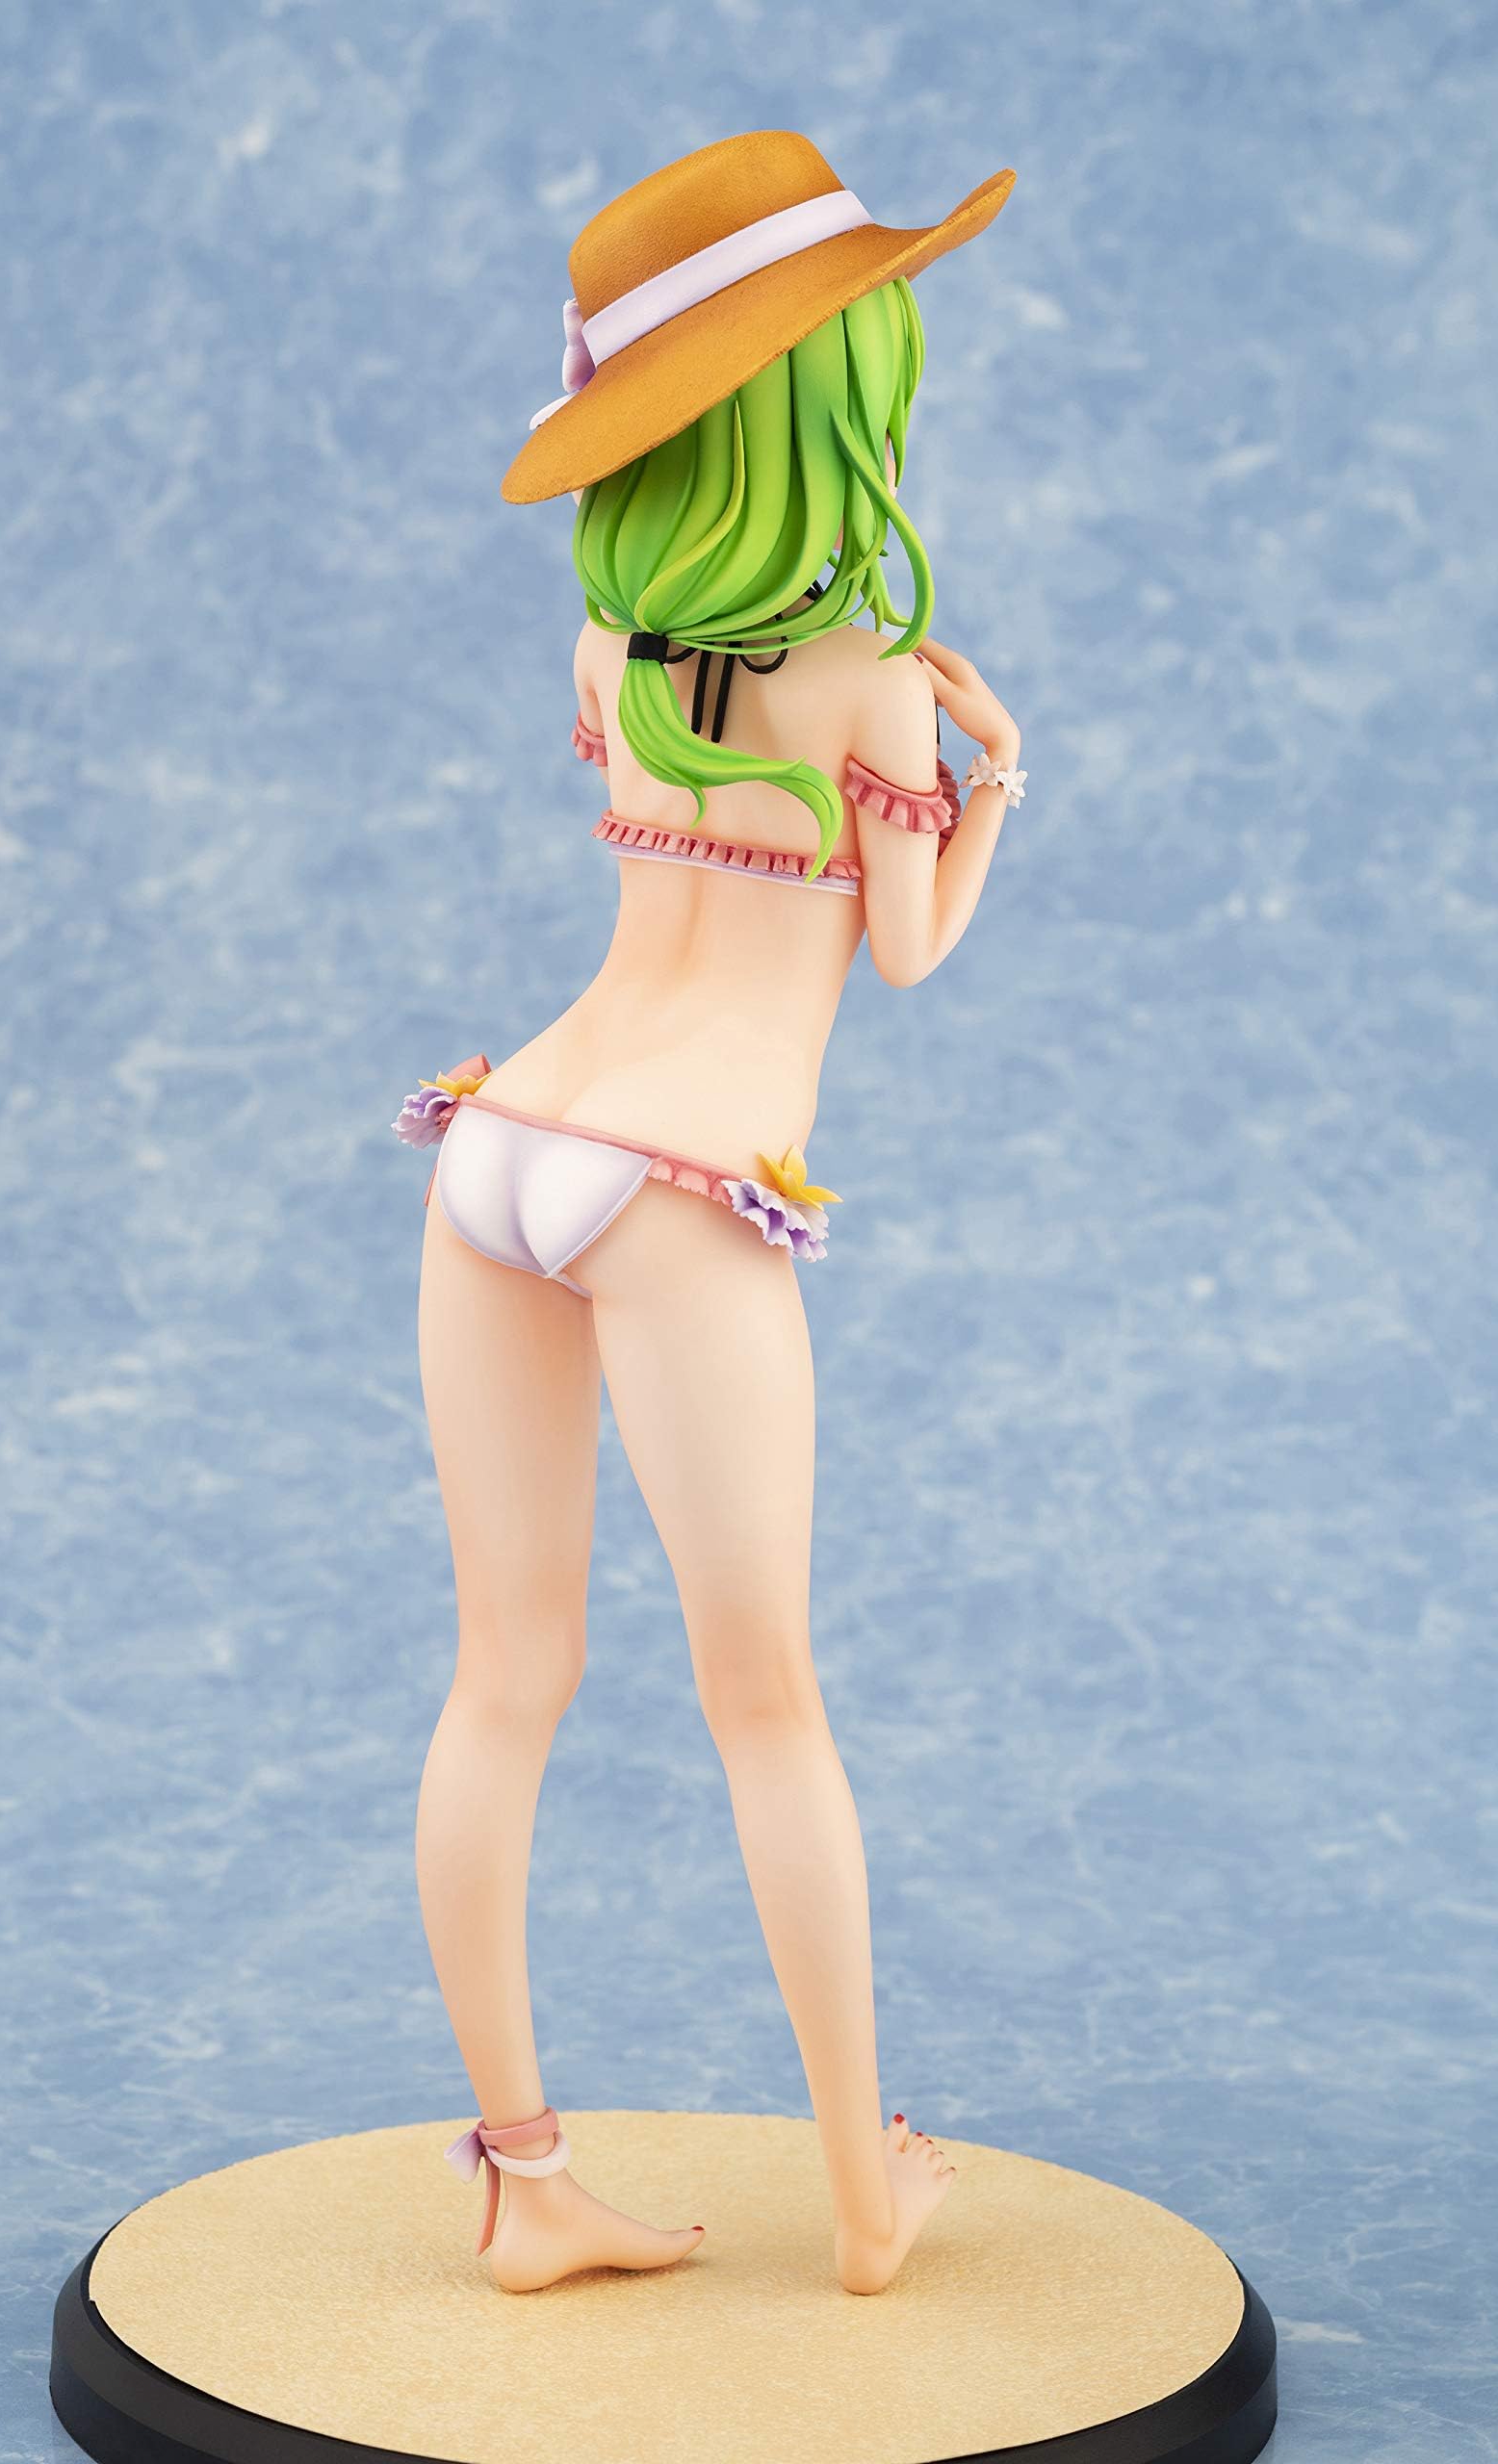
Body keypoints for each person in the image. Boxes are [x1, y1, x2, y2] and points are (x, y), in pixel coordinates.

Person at [395, 129, 1023, 2297]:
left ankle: (523, 2181)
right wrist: (996, 779)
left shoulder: (608, 640)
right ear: (828, 398)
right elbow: (907, 947)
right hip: (675, 1189)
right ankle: (864, 2195)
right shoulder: (871, 685)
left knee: (505, 1676)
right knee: (766, 1702)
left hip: (503, 1137)